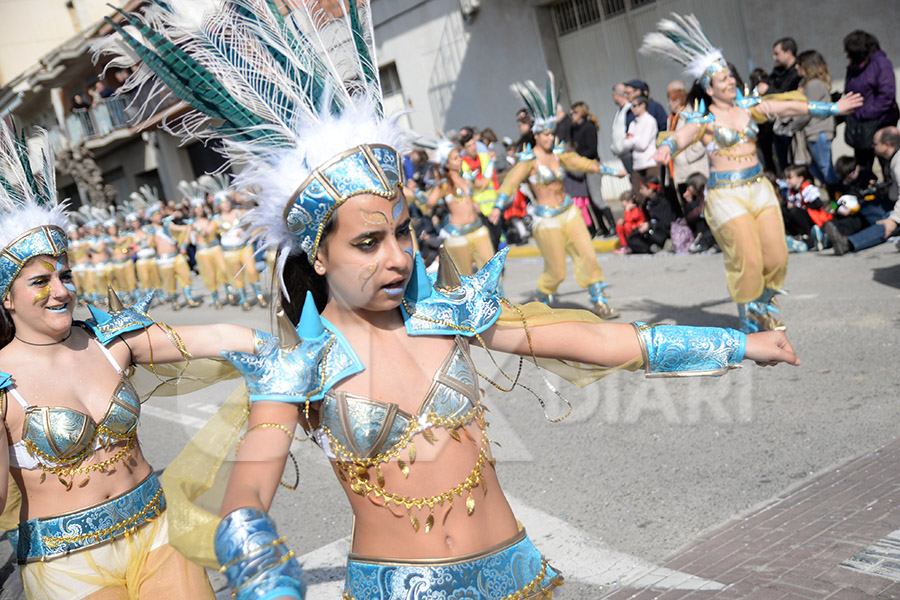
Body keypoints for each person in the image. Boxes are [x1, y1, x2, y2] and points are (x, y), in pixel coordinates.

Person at [100, 5, 802, 600]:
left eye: (403, 232)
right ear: (318, 254)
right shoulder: (300, 364)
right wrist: (260, 562)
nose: (400, 255)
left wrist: (743, 345)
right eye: (369, 243)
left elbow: (600, 343)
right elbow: (247, 494)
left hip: (522, 575)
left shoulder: (449, 314)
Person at [0, 121, 267, 599]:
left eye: (64, 275)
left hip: (157, 529)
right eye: (39, 282)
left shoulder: (112, 341)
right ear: (7, 298)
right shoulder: (2, 386)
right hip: (65, 564)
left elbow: (220, 335)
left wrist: (295, 351)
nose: (60, 291)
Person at [642, 13, 863, 332]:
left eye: (731, 77)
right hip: (726, 197)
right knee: (746, 255)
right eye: (723, 81)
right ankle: (749, 310)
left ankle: (763, 302)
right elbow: (684, 133)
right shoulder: (704, 120)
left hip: (758, 188)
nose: (730, 82)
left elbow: (786, 105)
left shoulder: (748, 107)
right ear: (709, 87)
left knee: (776, 256)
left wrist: (832, 108)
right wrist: (668, 147)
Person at [490, 72, 623, 318]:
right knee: (557, 271)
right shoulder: (528, 162)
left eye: (552, 133)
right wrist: (499, 205)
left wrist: (609, 171)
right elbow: (510, 182)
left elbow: (580, 162)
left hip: (568, 212)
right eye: (546, 134)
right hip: (546, 221)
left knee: (588, 255)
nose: (551, 137)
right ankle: (542, 297)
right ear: (536, 135)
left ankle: (599, 300)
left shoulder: (559, 154)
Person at [824, 126, 900, 255]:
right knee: (864, 208)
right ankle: (827, 237)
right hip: (887, 203)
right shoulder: (892, 160)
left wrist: (894, 218)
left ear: (887, 145)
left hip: (895, 208)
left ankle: (849, 243)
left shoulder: (898, 161)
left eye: (875, 143)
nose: (872, 146)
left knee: (888, 223)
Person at [427, 141, 496, 275]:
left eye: (459, 156)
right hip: (458, 236)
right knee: (464, 277)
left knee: (492, 272)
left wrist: (491, 163)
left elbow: (484, 183)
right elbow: (430, 202)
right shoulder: (445, 185)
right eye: (455, 158)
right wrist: (437, 175)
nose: (460, 160)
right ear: (446, 163)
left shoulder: (466, 178)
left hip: (478, 229)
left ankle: (495, 296)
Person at [843, 30, 900, 173]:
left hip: (880, 123)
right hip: (861, 128)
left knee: (888, 164)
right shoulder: (853, 67)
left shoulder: (881, 63)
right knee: (863, 166)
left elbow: (887, 95)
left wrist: (864, 114)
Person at [792, 50, 839, 188]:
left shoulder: (813, 85)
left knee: (825, 168)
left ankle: (838, 199)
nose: (796, 67)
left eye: (799, 64)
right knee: (815, 167)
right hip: (815, 132)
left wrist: (790, 126)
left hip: (818, 132)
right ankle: (834, 196)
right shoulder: (807, 84)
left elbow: (807, 111)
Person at [570, 101, 616, 237]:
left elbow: (591, 149)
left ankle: (612, 226)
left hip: (591, 165)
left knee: (597, 198)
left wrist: (577, 158)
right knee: (589, 200)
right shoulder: (575, 129)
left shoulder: (589, 127)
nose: (571, 116)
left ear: (580, 114)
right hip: (582, 166)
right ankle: (602, 227)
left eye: (573, 113)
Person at [768, 38, 801, 173]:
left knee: (795, 165)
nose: (774, 57)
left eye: (777, 53)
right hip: (779, 126)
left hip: (792, 125)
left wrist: (768, 91)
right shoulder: (779, 72)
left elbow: (785, 96)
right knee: (784, 164)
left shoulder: (797, 73)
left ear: (788, 53)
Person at [623, 96, 660, 190]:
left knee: (652, 191)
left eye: (634, 106)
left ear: (643, 105)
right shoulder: (632, 123)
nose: (632, 109)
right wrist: (636, 139)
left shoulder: (650, 121)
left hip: (650, 163)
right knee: (637, 193)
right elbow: (625, 144)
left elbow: (643, 144)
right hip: (637, 164)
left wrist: (633, 139)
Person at [610, 83, 634, 175]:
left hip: (628, 152)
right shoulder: (621, 110)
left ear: (616, 96)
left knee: (635, 177)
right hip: (623, 153)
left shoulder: (629, 109)